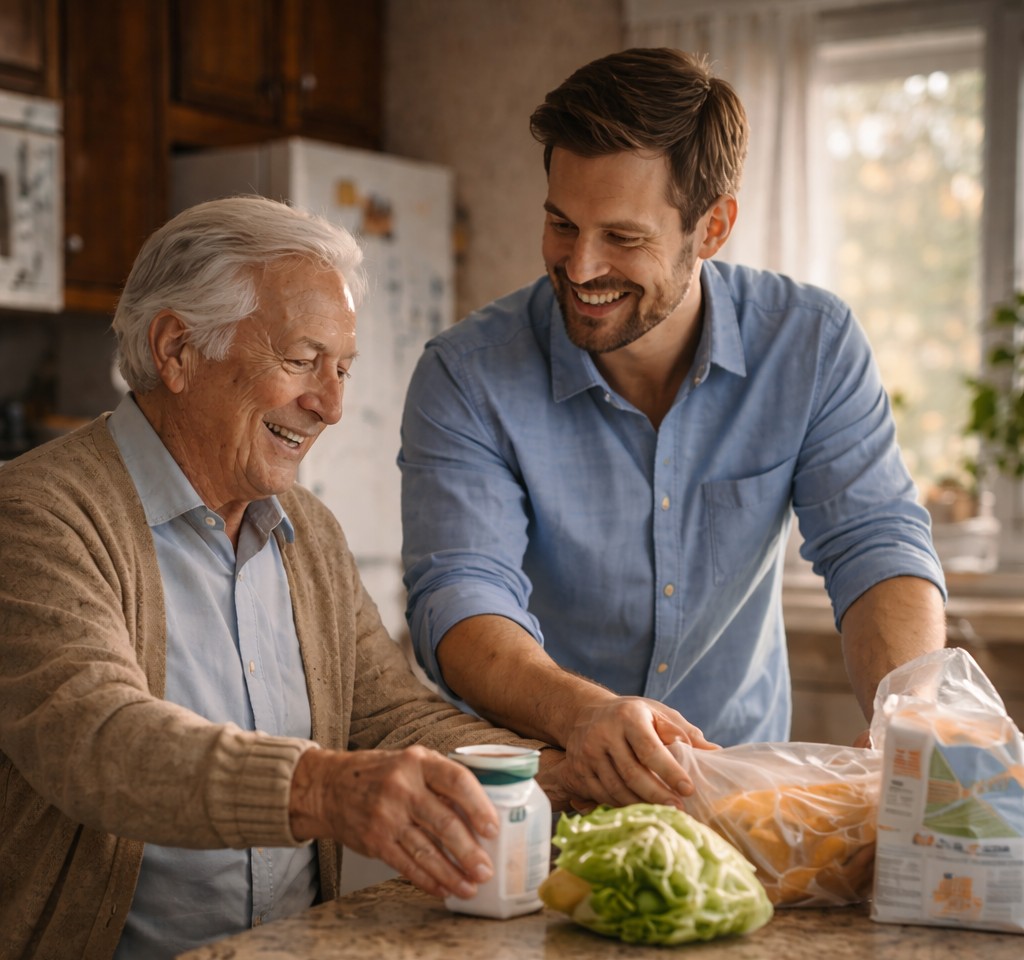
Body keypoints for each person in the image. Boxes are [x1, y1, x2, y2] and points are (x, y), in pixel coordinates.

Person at [0, 196, 571, 960]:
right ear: (176, 350)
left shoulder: (308, 532)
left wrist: (560, 776)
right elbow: (100, 740)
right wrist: (322, 791)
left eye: (342, 369)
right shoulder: (37, 514)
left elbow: (390, 719)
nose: (330, 405)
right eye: (301, 361)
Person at [399, 48, 947, 811]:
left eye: (623, 238)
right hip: (542, 797)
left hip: (742, 801)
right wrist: (583, 714)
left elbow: (875, 545)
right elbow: (458, 597)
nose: (580, 266)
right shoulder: (467, 375)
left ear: (713, 227)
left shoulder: (811, 343)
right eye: (562, 224)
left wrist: (906, 718)